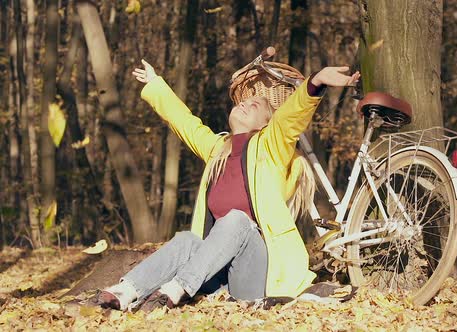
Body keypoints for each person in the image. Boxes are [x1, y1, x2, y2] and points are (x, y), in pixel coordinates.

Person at [96, 59, 360, 312]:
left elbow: (291, 118)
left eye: (255, 104)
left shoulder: (271, 146)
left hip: (257, 277)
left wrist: (317, 82)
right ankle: (126, 291)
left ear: (266, 123)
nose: (245, 104)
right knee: (187, 239)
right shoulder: (217, 151)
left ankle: (179, 287)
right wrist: (155, 84)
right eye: (244, 101)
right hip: (219, 280)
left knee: (236, 220)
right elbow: (184, 122)